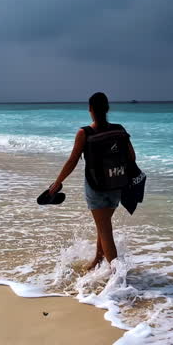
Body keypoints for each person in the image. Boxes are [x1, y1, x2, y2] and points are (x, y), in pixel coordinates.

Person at [46, 92, 137, 269]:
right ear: (107, 109)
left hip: (96, 188)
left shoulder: (85, 133)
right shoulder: (119, 129)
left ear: (90, 109)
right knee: (102, 225)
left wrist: (57, 183)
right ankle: (98, 259)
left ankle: (115, 278)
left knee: (105, 229)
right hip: (117, 185)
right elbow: (132, 157)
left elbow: (72, 161)